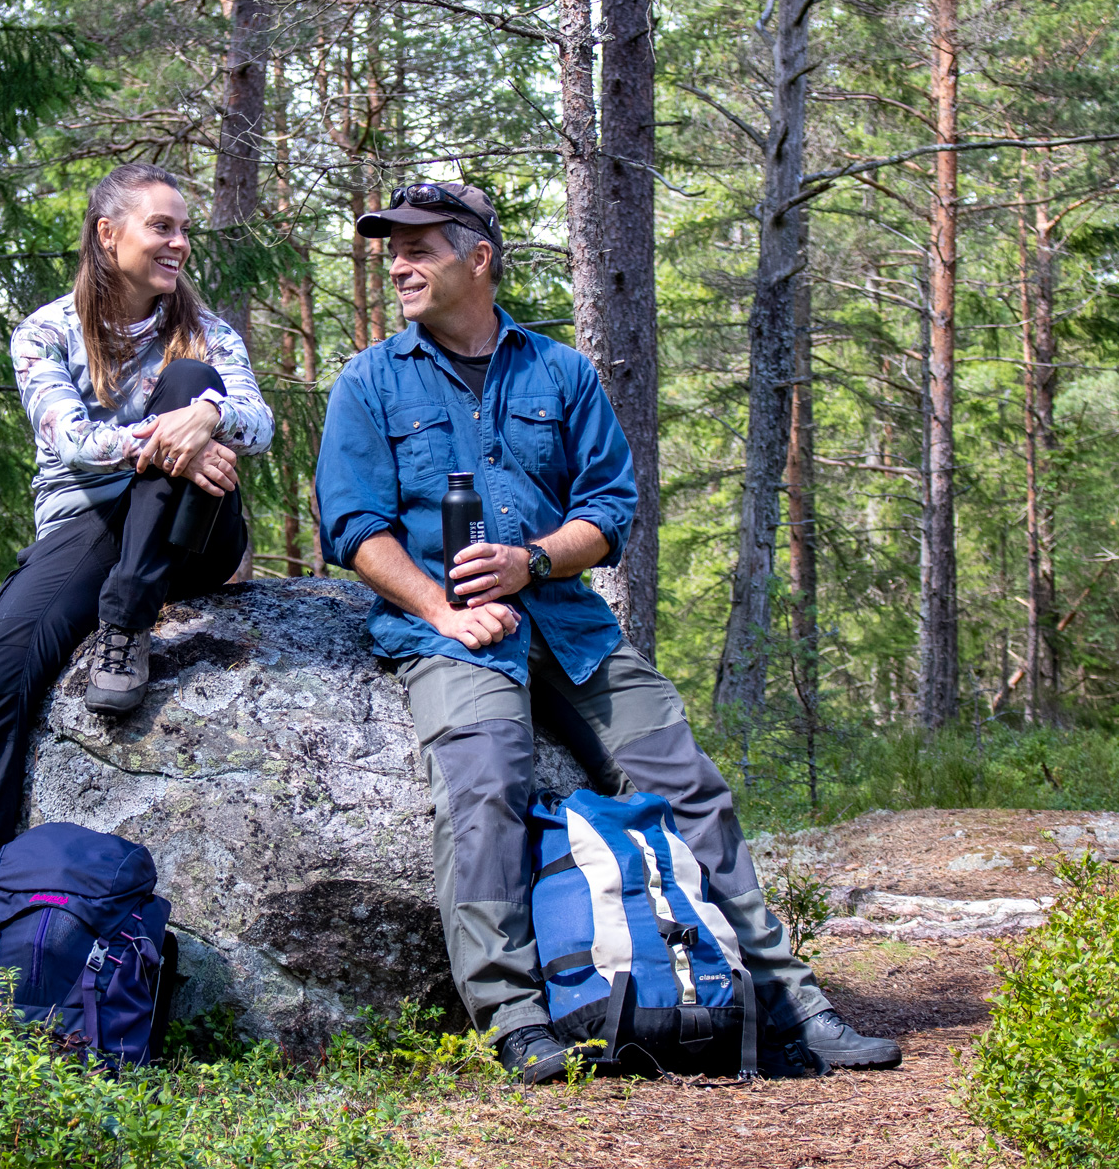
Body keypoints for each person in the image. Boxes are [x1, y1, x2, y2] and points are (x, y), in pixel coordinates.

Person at [314, 181, 900, 1082]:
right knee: (486, 784)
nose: (398, 264)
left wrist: (532, 562)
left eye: (420, 247)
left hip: (572, 625)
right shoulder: (371, 380)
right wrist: (445, 610)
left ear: (479, 257)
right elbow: (354, 527)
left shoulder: (560, 373)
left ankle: (791, 1005)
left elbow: (610, 511)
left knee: (686, 784)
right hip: (448, 635)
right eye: (392, 249)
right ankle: (515, 1020)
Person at [0, 163, 272, 1006]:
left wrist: (208, 416)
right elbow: (73, 445)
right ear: (108, 236)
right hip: (88, 527)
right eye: (162, 227)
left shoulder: (205, 329)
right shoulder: (45, 333)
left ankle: (127, 618)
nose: (180, 243)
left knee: (194, 383)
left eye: (185, 229)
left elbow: (258, 418)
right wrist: (174, 437)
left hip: (196, 531)